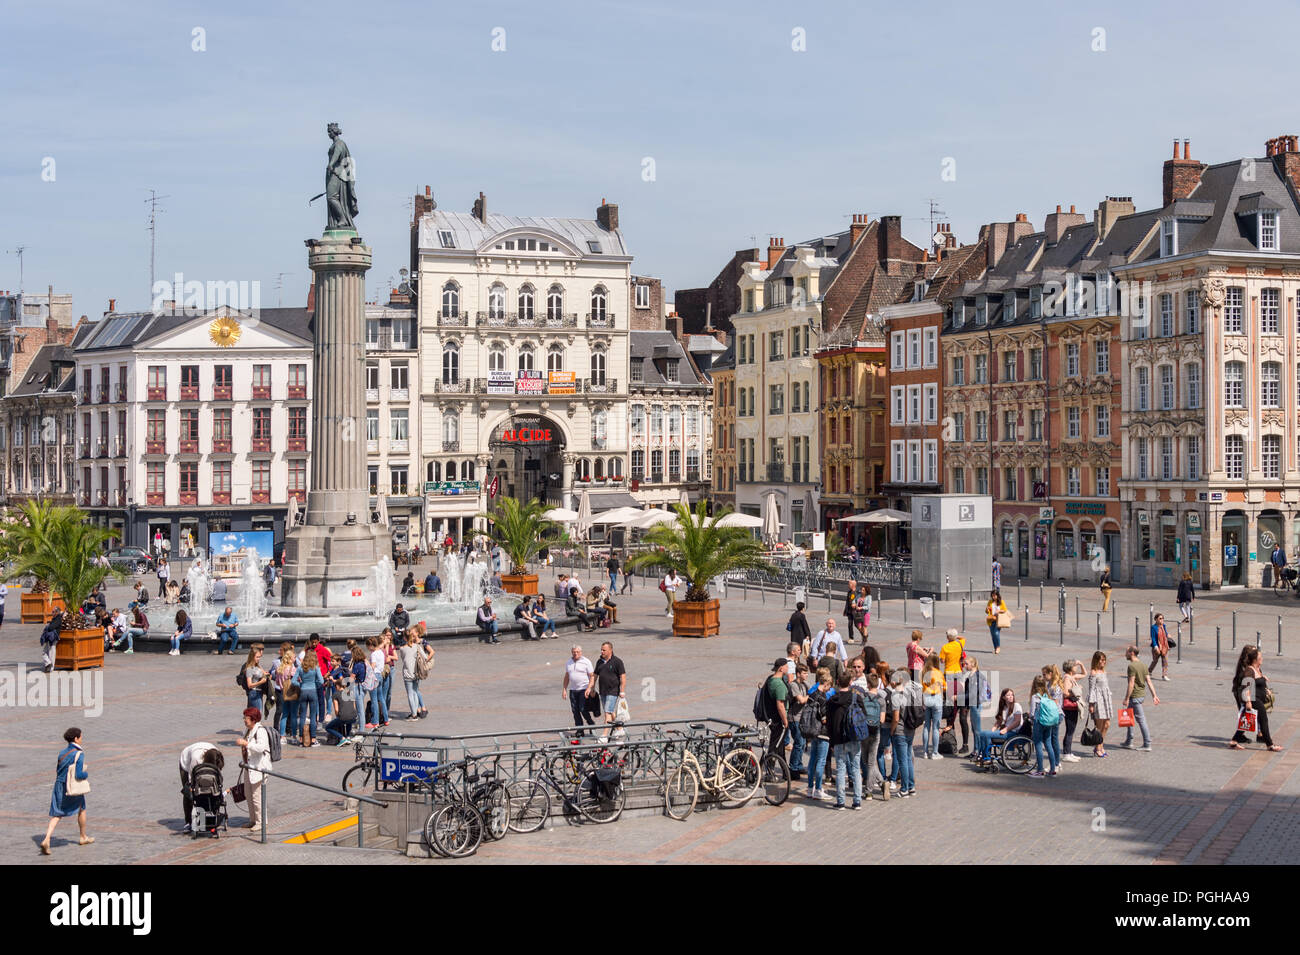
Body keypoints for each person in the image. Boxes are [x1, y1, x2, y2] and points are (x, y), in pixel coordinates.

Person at [41, 726, 92, 854]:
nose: (82, 739)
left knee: (57, 814)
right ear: (76, 738)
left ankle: (46, 839)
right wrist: (86, 774)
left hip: (59, 785)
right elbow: (78, 775)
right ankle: (83, 836)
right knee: (82, 808)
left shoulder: (62, 752)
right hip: (71, 787)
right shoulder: (79, 754)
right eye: (81, 737)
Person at [1230, 645, 1282, 751]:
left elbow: (1258, 681)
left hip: (1258, 698)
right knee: (1263, 720)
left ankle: (1234, 741)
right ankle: (1270, 745)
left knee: (1247, 720)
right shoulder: (1249, 670)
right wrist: (1248, 702)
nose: (1262, 659)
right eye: (1260, 657)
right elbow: (1246, 686)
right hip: (1254, 699)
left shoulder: (1256, 669)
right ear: (1255, 659)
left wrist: (1264, 681)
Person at [825, 671, 864, 810]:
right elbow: (863, 716)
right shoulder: (856, 698)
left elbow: (828, 723)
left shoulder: (831, 701)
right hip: (854, 737)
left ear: (837, 683)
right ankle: (857, 801)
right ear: (850, 683)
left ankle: (841, 802)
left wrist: (831, 741)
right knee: (855, 769)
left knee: (841, 770)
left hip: (838, 739)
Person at [235, 707, 271, 828]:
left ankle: (261, 822)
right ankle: (253, 819)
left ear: (253, 719)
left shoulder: (260, 731)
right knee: (248, 794)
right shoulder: (247, 730)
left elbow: (261, 748)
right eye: (244, 717)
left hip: (258, 768)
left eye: (246, 718)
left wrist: (246, 744)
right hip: (248, 767)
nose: (244, 720)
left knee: (257, 796)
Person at [1121, 645, 1159, 751]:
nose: (1125, 654)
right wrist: (1154, 695)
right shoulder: (1143, 665)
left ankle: (1147, 743)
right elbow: (1149, 681)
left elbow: (1131, 684)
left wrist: (1126, 698)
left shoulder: (1132, 666)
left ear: (1132, 653)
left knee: (1141, 720)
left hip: (1135, 696)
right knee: (1129, 717)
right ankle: (1129, 741)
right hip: (1141, 695)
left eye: (1126, 652)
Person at [179, 742, 223, 833]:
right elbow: (191, 778)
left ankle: (209, 820)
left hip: (205, 762)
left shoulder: (217, 755)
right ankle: (188, 822)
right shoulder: (196, 758)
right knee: (188, 793)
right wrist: (192, 788)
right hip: (187, 764)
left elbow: (217, 774)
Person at [802, 666, 831, 800]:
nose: (829, 689)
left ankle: (809, 788)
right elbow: (824, 718)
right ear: (825, 684)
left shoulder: (812, 695)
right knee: (821, 761)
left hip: (812, 731)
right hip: (822, 732)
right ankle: (818, 789)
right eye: (828, 686)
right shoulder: (823, 698)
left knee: (812, 759)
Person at [974, 689, 1023, 767]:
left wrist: (1006, 729)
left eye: (1012, 695)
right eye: (1008, 695)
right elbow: (999, 722)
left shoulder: (1016, 706)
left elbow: (1017, 722)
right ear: (1003, 697)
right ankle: (983, 756)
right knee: (983, 734)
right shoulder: (1004, 707)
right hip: (1006, 731)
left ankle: (986, 758)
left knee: (985, 734)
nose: (1011, 697)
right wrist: (993, 730)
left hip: (1013, 732)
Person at [1027, 675, 1062, 778]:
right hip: (1049, 723)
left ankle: (1040, 770)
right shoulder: (1047, 695)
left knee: (1038, 745)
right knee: (1048, 745)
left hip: (1039, 723)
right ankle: (1052, 769)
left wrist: (1030, 719)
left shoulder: (1035, 697)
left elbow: (1032, 713)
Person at [563, 645, 597, 734]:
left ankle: (591, 723)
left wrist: (589, 688)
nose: (575, 654)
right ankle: (580, 729)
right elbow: (567, 676)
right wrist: (564, 689)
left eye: (577, 652)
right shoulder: (569, 662)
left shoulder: (586, 662)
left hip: (584, 689)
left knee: (583, 709)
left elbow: (592, 676)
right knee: (575, 710)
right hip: (573, 690)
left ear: (581, 652)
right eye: (574, 652)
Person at [399, 631, 433, 720]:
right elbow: (425, 658)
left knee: (410, 694)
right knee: (415, 692)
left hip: (407, 673)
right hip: (416, 673)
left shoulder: (402, 649)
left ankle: (414, 715)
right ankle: (416, 712)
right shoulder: (417, 646)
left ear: (404, 638)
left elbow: (403, 660)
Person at [294, 650, 325, 746]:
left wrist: (301, 684)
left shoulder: (300, 668)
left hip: (303, 691)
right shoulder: (316, 668)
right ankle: (313, 739)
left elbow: (293, 681)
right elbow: (321, 680)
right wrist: (315, 684)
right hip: (313, 691)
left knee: (302, 715)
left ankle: (301, 739)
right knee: (313, 716)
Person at [785, 662, 810, 780]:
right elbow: (801, 700)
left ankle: (799, 765)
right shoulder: (793, 685)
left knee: (803, 743)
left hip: (802, 718)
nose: (806, 675)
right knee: (798, 743)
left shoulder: (805, 685)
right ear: (798, 674)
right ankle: (793, 768)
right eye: (804, 673)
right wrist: (809, 696)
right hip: (794, 718)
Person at [1086, 650, 1113, 758]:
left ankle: (1100, 744)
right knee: (1099, 726)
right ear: (1096, 661)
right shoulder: (1094, 672)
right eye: (1101, 660)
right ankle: (1098, 747)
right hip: (1098, 700)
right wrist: (1091, 704)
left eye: (1104, 659)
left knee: (1107, 724)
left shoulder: (1103, 672)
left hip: (1106, 700)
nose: (1103, 662)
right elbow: (1091, 689)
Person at [594, 641, 627, 726]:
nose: (602, 652)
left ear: (610, 650)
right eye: (601, 650)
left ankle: (604, 736)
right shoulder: (599, 662)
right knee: (610, 711)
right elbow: (594, 676)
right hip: (603, 691)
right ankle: (620, 729)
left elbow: (623, 677)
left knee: (607, 713)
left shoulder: (617, 661)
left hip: (613, 691)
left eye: (604, 650)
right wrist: (591, 688)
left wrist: (622, 691)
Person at [1059, 659, 1085, 762]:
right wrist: (1077, 691)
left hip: (1072, 707)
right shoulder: (1067, 678)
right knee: (1070, 730)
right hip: (1069, 707)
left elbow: (1084, 674)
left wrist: (1081, 663)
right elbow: (1065, 693)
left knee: (1071, 730)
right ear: (1070, 668)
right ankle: (1066, 754)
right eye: (1075, 666)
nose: (1076, 668)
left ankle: (1069, 752)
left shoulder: (1071, 677)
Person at [921, 653, 945, 759]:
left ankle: (925, 752)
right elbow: (944, 687)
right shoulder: (938, 672)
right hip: (936, 699)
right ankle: (935, 753)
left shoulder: (923, 672)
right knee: (935, 727)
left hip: (926, 699)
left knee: (926, 726)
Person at [241, 644, 270, 711]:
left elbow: (264, 673)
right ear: (252, 657)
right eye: (257, 657)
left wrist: (267, 674)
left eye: (259, 657)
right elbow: (249, 685)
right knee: (257, 714)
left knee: (255, 714)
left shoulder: (258, 666)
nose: (258, 659)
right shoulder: (249, 668)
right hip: (254, 692)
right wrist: (261, 682)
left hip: (259, 692)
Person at [1149, 612, 1171, 682]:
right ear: (1156, 619)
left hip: (1164, 646)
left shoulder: (1163, 626)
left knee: (1165, 661)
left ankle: (1164, 675)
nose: (1162, 620)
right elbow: (1153, 637)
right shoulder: (1153, 627)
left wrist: (1167, 635)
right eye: (1160, 618)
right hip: (1157, 647)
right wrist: (1155, 647)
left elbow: (1165, 632)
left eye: (1162, 618)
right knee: (1155, 661)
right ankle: (1148, 672)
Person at [985, 589, 1007, 653]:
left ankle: (998, 647)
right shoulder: (990, 602)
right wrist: (987, 609)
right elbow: (987, 612)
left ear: (997, 595)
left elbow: (1005, 610)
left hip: (999, 620)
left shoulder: (1001, 602)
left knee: (996, 633)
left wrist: (999, 611)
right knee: (993, 635)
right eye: (992, 596)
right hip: (991, 620)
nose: (994, 597)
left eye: (995, 596)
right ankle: (995, 648)